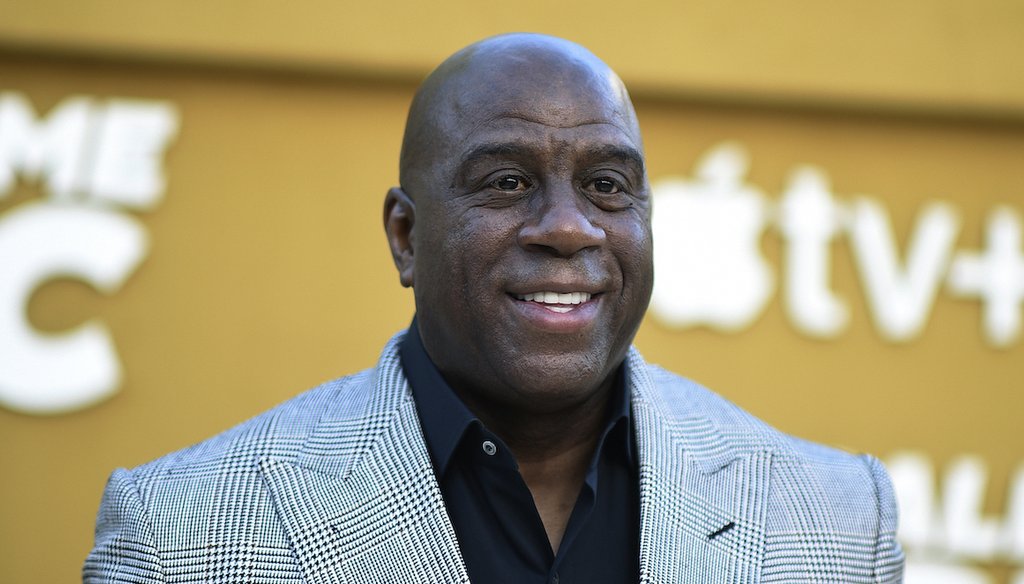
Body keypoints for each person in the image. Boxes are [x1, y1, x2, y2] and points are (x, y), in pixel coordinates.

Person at [85, 33, 904, 583]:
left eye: (607, 186)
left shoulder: (839, 521)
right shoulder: (179, 535)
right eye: (508, 181)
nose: (568, 227)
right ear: (405, 236)